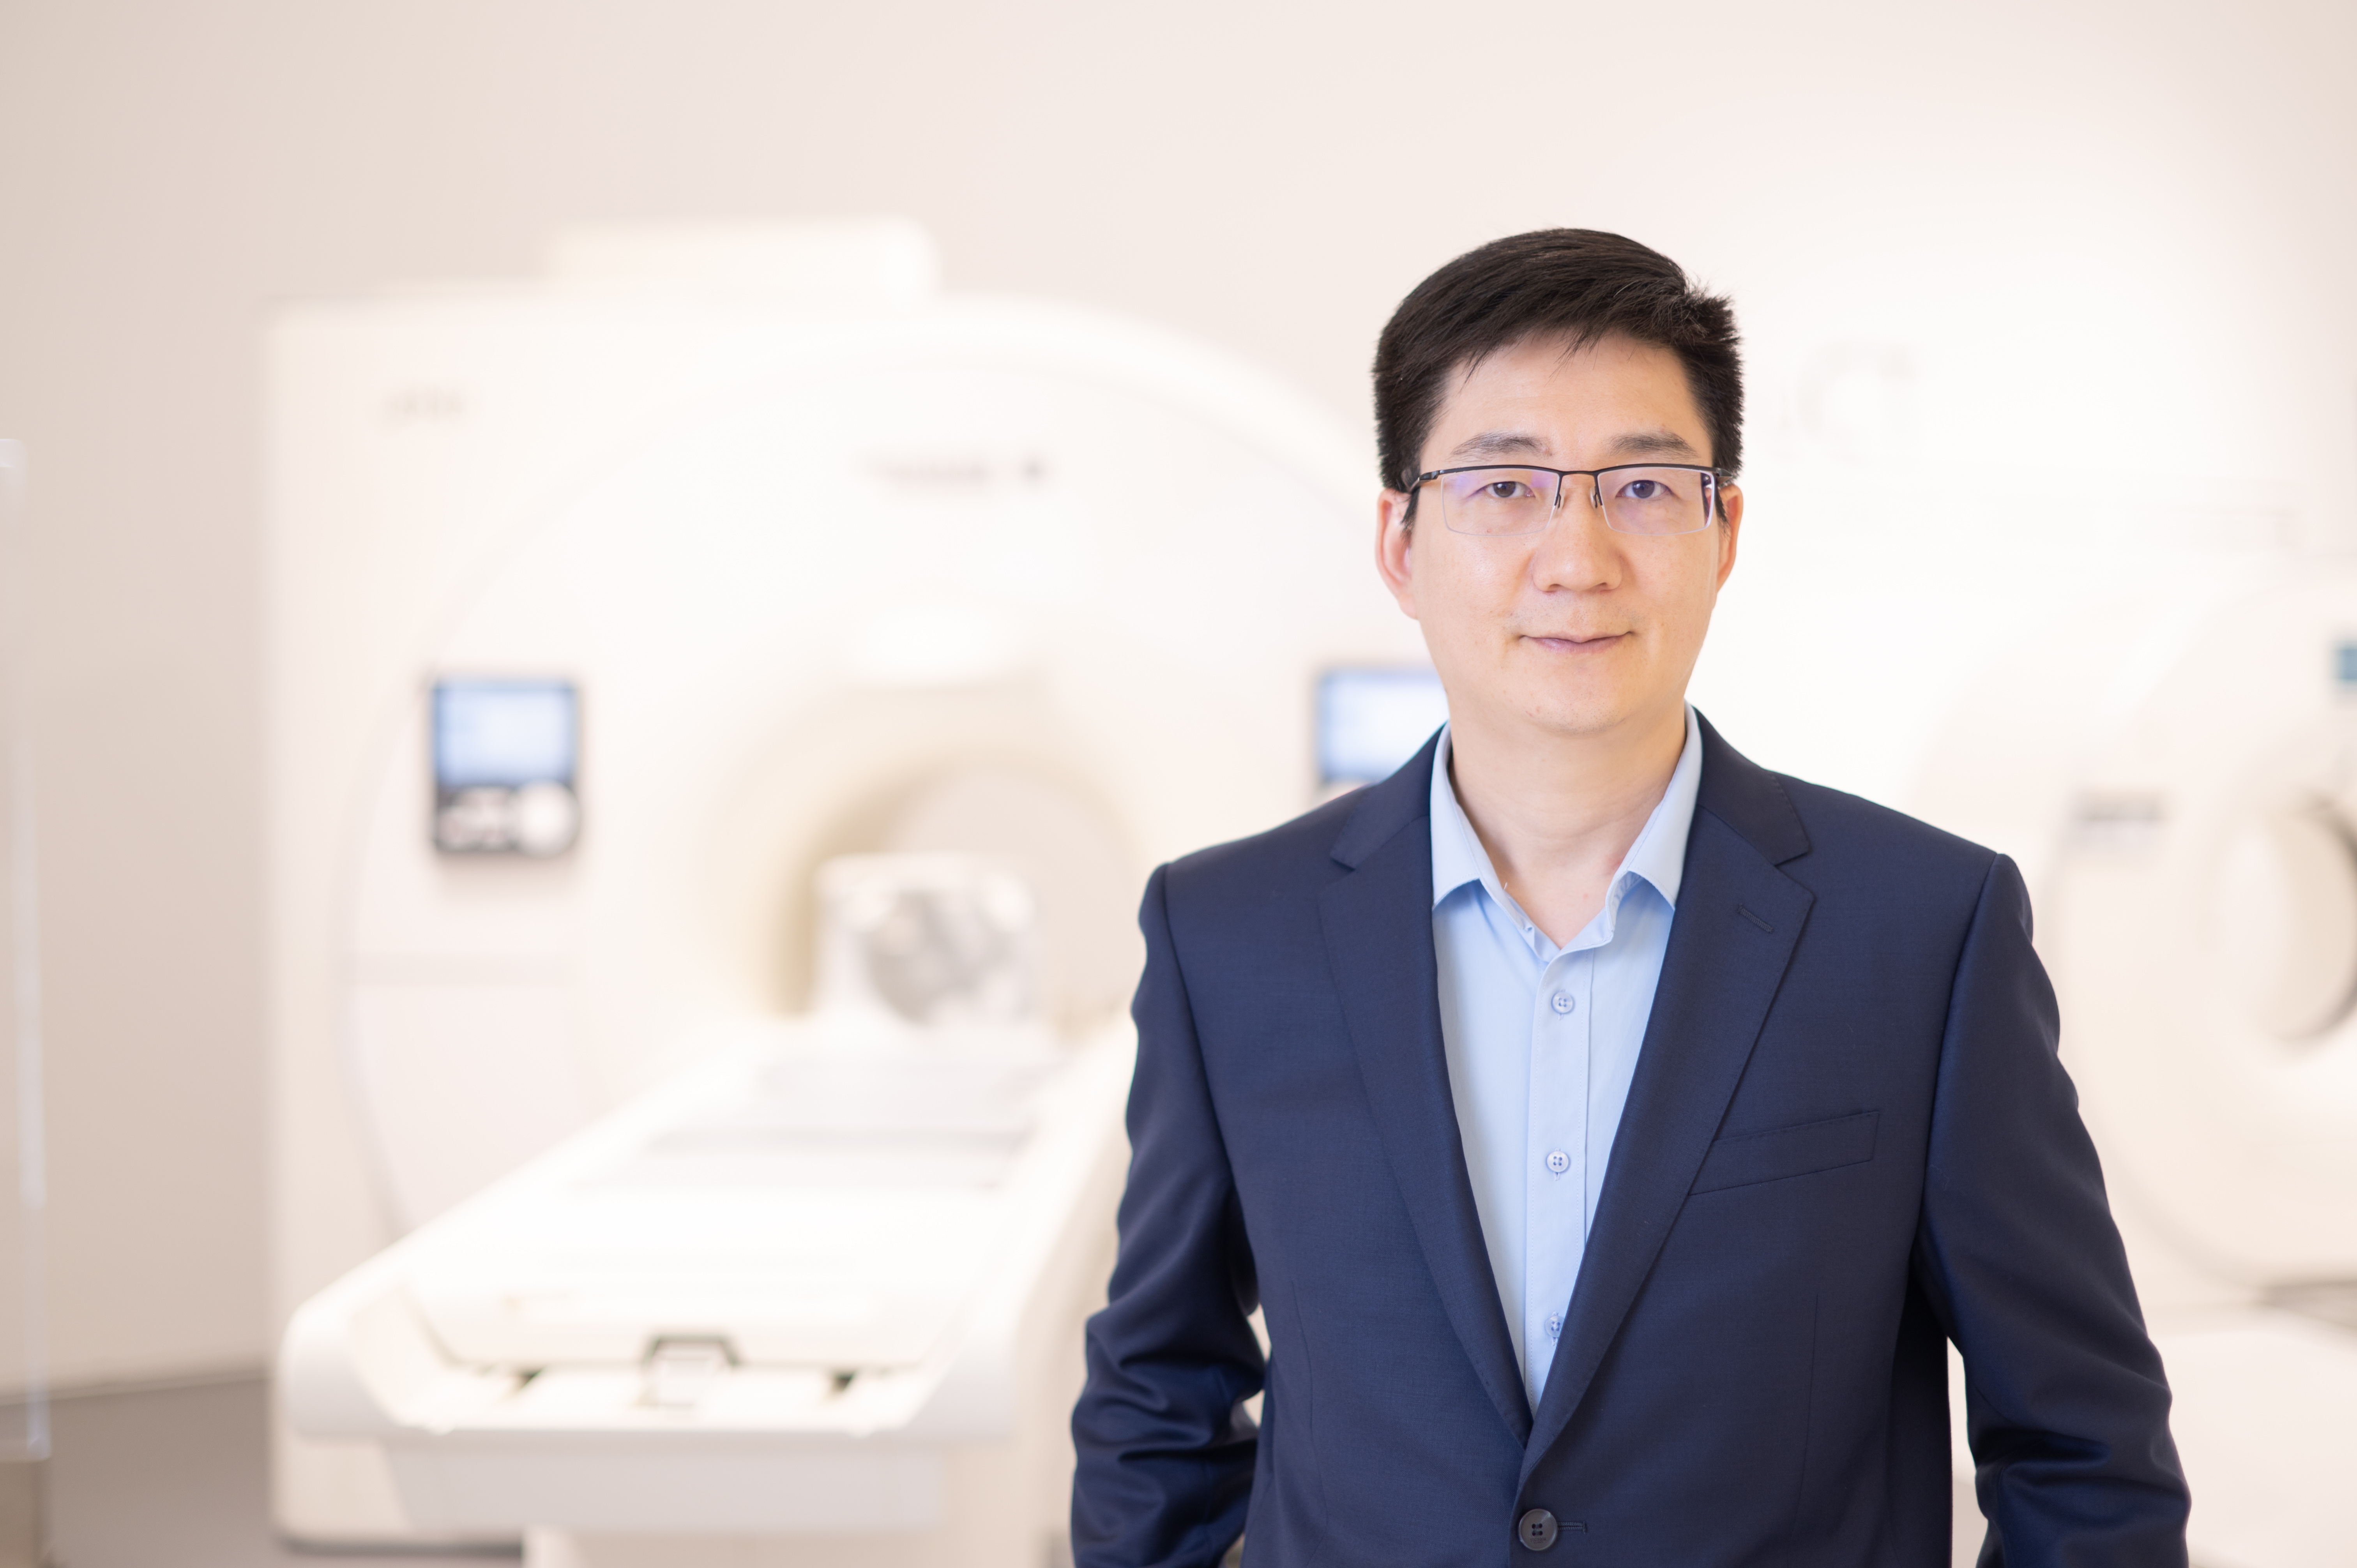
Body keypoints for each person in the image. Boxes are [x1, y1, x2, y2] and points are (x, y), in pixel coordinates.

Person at [1068, 229, 2189, 1566]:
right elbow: (1158, 1398)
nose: (1578, 555)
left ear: (1725, 534)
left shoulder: (1924, 934)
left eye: (1646, 487)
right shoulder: (1229, 938)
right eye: (1503, 486)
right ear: (1400, 543)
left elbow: (2082, 1451)